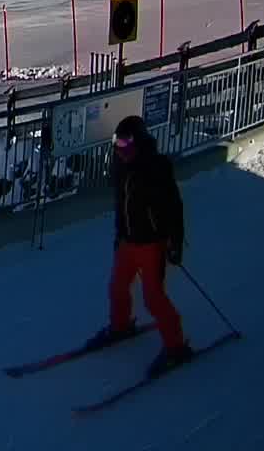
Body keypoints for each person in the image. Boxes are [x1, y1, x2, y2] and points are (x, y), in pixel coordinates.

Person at [87, 116, 191, 377]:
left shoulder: (156, 167)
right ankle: (120, 326)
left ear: (139, 142)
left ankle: (176, 346)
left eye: (124, 142)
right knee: (118, 287)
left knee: (153, 297)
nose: (119, 148)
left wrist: (175, 243)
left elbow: (174, 208)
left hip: (151, 243)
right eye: (116, 143)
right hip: (128, 242)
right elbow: (121, 207)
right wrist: (118, 235)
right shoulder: (122, 167)